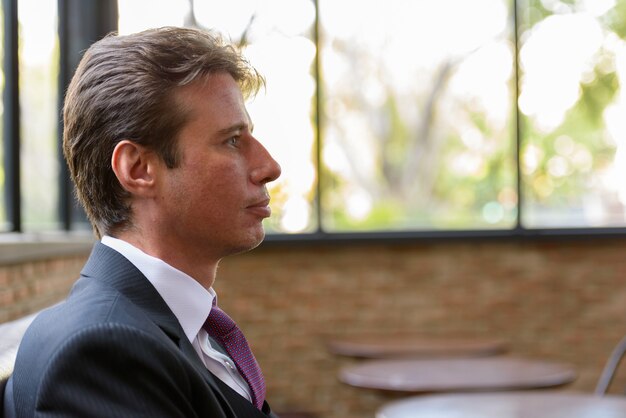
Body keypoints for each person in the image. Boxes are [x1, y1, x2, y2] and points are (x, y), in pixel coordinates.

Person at [4, 26, 281, 418]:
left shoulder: (180, 328)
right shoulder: (101, 353)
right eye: (232, 141)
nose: (269, 167)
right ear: (137, 169)